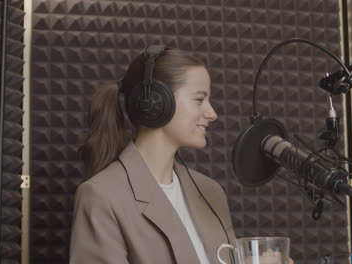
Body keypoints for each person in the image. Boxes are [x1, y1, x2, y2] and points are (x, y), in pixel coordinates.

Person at [69, 46, 237, 263]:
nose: (212, 113)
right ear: (156, 102)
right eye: (199, 99)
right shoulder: (101, 197)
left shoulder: (210, 192)